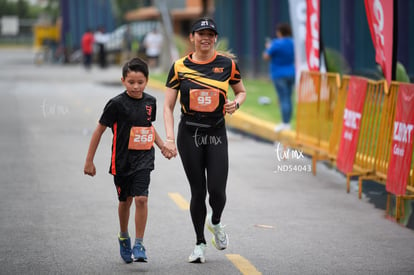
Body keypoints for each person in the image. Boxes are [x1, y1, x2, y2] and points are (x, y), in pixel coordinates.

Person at [163, 17, 247, 263]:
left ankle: (216, 222)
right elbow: (168, 107)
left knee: (217, 191)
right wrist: (169, 138)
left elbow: (241, 91)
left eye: (210, 34)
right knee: (198, 191)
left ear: (215, 38)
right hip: (189, 134)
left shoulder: (227, 65)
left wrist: (236, 104)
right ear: (192, 38)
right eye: (201, 34)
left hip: (216, 133)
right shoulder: (179, 67)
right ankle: (199, 243)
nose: (205, 38)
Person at [83, 57, 171, 264]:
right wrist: (89, 161)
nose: (136, 86)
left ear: (147, 80)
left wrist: (162, 146)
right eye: (131, 82)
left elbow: (148, 126)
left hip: (143, 158)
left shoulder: (150, 102)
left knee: (141, 198)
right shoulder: (116, 104)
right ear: (123, 81)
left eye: (140, 82)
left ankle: (139, 243)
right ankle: (124, 236)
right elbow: (99, 130)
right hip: (121, 161)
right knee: (126, 201)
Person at [262, 23, 295, 132]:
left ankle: (285, 124)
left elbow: (266, 56)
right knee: (289, 98)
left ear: (280, 32)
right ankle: (288, 122)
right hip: (291, 72)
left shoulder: (276, 43)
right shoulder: (293, 42)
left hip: (279, 74)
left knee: (283, 98)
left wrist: (268, 47)